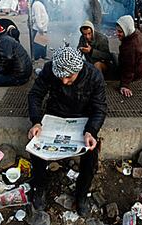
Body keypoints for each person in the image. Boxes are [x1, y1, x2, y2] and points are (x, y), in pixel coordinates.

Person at [27, 47, 107, 216]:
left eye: (69, 76)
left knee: (91, 154)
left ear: (78, 69)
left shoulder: (94, 75)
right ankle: (40, 187)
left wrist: (91, 131)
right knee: (36, 146)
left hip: (82, 119)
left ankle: (82, 194)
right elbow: (35, 94)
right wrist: (36, 122)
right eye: (60, 76)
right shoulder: (49, 69)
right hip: (55, 115)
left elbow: (99, 108)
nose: (64, 81)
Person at [115, 15, 142, 97]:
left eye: (120, 32)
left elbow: (129, 67)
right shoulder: (136, 33)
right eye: (117, 31)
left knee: (112, 58)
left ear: (127, 29)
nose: (117, 34)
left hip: (136, 72)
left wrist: (124, 85)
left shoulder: (131, 48)